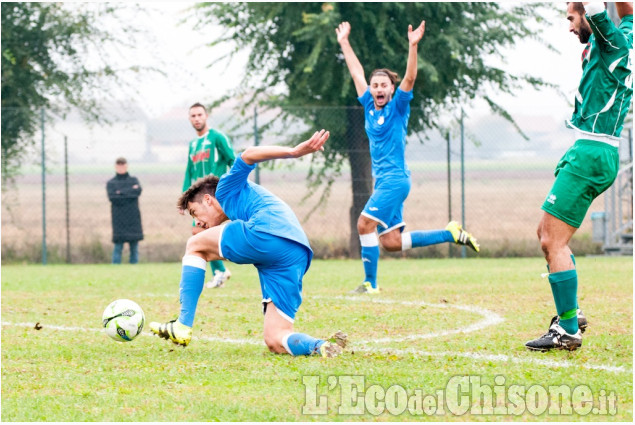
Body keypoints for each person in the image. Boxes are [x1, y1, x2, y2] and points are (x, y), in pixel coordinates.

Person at [150, 129, 347, 357]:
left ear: (207, 199)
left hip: (267, 231)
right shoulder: (240, 206)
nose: (198, 222)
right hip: (295, 251)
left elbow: (249, 154)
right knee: (275, 339)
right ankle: (320, 346)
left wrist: (294, 151)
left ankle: (182, 325)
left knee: (194, 245)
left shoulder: (224, 189)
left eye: (195, 212)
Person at [336, 20, 480, 294]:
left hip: (395, 181)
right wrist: (344, 42)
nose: (378, 88)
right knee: (390, 242)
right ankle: (449, 233)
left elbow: (410, 78)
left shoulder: (398, 108)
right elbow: (356, 72)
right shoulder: (368, 104)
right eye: (375, 84)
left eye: (384, 85)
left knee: (363, 223)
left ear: (391, 89)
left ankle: (370, 284)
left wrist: (413, 46)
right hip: (385, 183)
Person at [526, 3, 633, 352]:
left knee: (551, 241)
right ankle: (571, 315)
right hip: (591, 151)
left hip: (590, 152)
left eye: (572, 18)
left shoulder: (612, 41)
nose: (570, 26)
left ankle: (568, 329)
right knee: (547, 233)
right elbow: (628, 10)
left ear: (590, 15)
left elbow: (607, 10)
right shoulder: (627, 33)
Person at [184, 102, 236, 288]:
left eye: (200, 115)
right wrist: (185, 200)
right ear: (190, 119)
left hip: (215, 196)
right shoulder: (193, 144)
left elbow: (233, 159)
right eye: (193, 116)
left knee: (199, 231)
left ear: (206, 116)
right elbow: (189, 171)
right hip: (200, 199)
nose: (197, 118)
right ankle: (219, 271)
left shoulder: (217, 137)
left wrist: (232, 184)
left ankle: (221, 269)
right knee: (199, 231)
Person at [106, 157, 143, 264]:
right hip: (118, 219)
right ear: (115, 167)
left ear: (126, 166)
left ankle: (134, 269)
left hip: (133, 218)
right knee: (118, 247)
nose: (121, 168)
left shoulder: (134, 180)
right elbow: (113, 198)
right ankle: (115, 269)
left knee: (134, 248)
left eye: (123, 165)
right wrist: (129, 191)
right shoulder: (111, 183)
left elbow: (137, 192)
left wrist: (120, 192)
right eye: (119, 166)